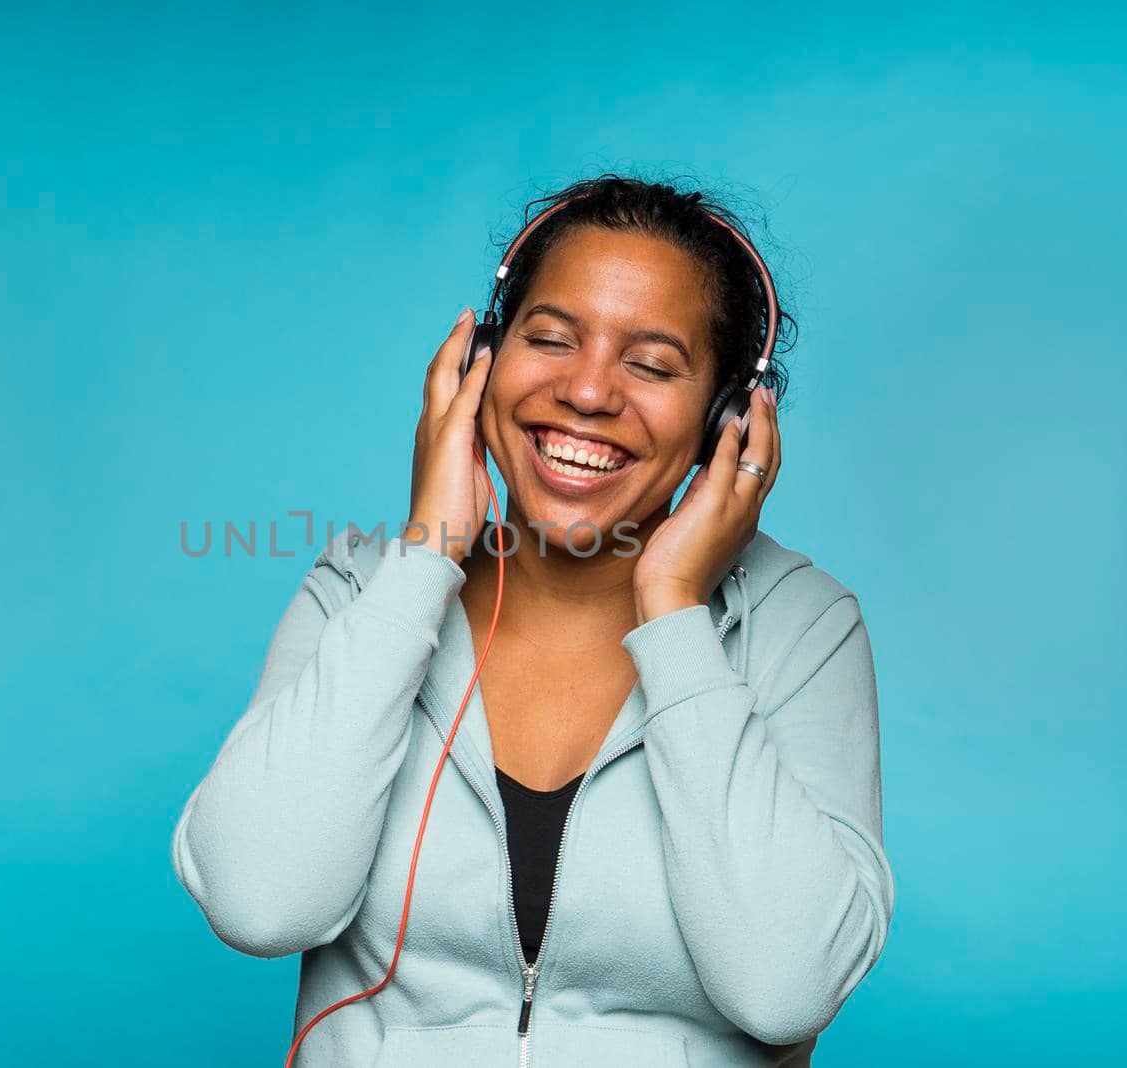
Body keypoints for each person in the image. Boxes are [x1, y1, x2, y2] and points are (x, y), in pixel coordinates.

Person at [172, 174, 895, 1066]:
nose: (588, 392)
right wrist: (425, 560)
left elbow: (785, 987)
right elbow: (260, 901)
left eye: (652, 363)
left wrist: (673, 615)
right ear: (481, 362)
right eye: (549, 339)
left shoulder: (798, 628)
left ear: (729, 419)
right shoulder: (362, 590)